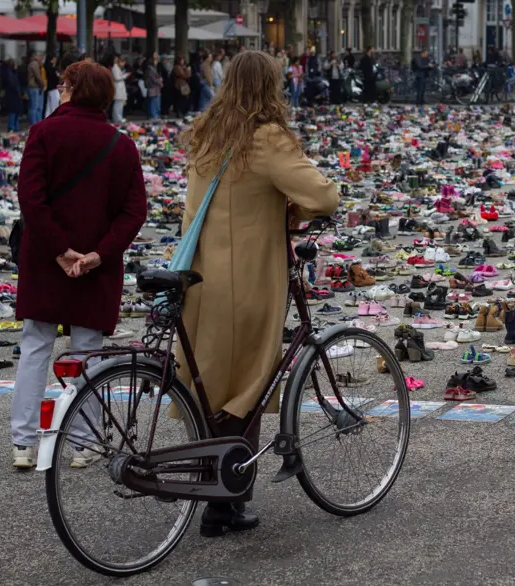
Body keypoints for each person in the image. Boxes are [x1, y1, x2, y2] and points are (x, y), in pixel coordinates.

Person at [179, 50, 338, 533]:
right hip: (246, 281)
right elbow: (323, 195)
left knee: (210, 387)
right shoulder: (266, 138)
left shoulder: (207, 132)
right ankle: (226, 500)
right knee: (246, 388)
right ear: (270, 87)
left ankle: (214, 496)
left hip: (200, 277)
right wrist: (297, 208)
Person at [10, 60, 147, 469]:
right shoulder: (120, 145)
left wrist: (57, 249)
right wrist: (98, 254)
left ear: (71, 89)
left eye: (64, 84)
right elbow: (133, 210)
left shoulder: (44, 134)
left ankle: (24, 442)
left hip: (46, 261)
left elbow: (31, 199)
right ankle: (82, 442)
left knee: (35, 345)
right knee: (88, 352)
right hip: (95, 266)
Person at [0, 58, 21, 132]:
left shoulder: (11, 72)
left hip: (13, 94)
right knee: (13, 111)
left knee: (15, 111)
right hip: (13, 94)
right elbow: (12, 83)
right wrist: (17, 91)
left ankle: (14, 127)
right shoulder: (10, 72)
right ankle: (12, 127)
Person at [27, 51, 45, 125]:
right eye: (40, 56)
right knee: (34, 107)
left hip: (35, 87)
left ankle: (37, 123)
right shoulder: (34, 64)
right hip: (34, 87)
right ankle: (34, 123)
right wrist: (43, 85)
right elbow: (38, 76)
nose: (42, 58)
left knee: (36, 107)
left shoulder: (34, 64)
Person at [143, 52, 162, 119]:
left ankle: (154, 114)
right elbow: (154, 78)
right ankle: (153, 115)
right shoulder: (150, 68)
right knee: (153, 101)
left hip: (154, 87)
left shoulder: (152, 68)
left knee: (154, 101)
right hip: (153, 87)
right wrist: (160, 82)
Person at [110, 55, 129, 123]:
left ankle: (119, 117)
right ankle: (117, 118)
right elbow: (117, 78)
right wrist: (125, 75)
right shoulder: (115, 68)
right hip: (118, 88)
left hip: (120, 88)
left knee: (120, 104)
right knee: (117, 105)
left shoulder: (117, 68)